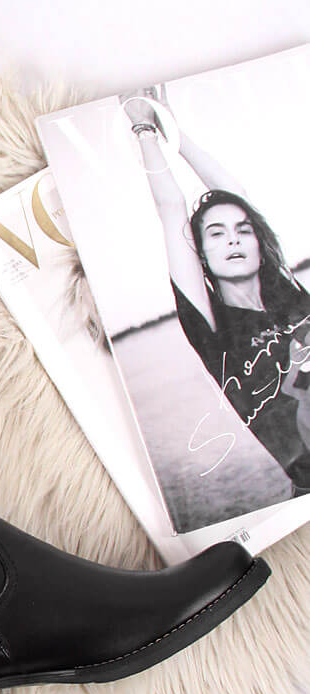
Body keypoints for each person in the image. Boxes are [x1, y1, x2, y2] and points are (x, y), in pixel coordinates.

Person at [123, 87, 310, 496]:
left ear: (258, 242)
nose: (233, 239)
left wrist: (173, 125)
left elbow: (238, 196)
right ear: (201, 255)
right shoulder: (212, 328)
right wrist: (144, 127)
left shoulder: (293, 296)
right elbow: (171, 209)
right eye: (216, 233)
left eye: (243, 231)